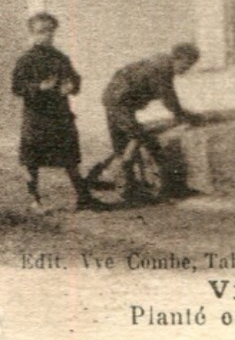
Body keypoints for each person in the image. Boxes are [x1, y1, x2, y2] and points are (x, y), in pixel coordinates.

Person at [11, 12, 105, 212]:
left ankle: (84, 198)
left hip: (60, 116)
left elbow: (75, 80)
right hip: (37, 117)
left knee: (70, 158)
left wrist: (71, 86)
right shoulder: (26, 60)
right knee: (32, 161)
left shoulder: (60, 58)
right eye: (41, 31)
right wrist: (39, 87)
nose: (46, 35)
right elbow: (17, 87)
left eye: (50, 31)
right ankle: (35, 201)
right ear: (32, 34)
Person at [100, 42, 202, 163]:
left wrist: (181, 113)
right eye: (186, 65)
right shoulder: (161, 68)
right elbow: (168, 97)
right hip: (119, 102)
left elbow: (169, 95)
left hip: (118, 99)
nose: (186, 70)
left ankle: (127, 171)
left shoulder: (161, 65)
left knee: (126, 141)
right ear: (176, 58)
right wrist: (182, 115)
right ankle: (127, 173)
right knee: (139, 137)